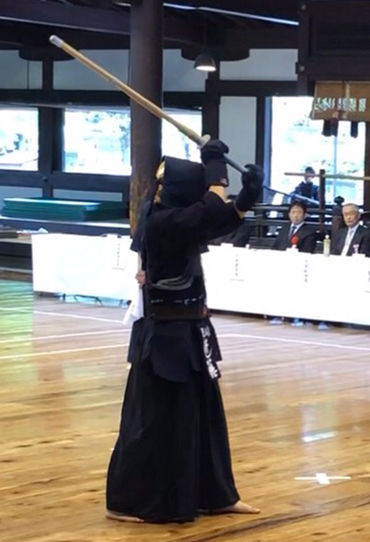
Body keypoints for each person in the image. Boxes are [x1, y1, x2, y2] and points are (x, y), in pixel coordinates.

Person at [106, 140, 263, 523]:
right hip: (162, 337)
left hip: (191, 333)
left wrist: (246, 198)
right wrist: (216, 168)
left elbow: (219, 218)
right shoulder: (159, 221)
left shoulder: (177, 217)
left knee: (205, 418)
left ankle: (215, 494)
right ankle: (129, 501)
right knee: (153, 422)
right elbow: (209, 209)